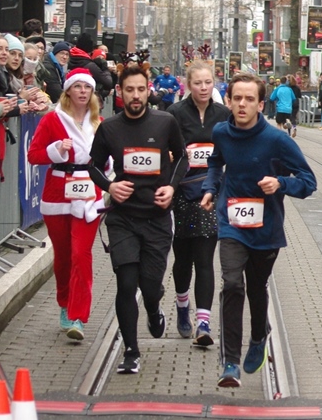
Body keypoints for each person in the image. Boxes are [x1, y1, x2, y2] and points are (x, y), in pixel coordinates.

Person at [201, 73, 317, 388]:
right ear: (228, 101)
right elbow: (215, 162)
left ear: (260, 104)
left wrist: (281, 183)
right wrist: (211, 187)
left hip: (266, 229)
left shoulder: (277, 140)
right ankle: (230, 362)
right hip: (231, 224)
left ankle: (258, 335)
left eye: (249, 99)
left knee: (256, 287)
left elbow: (309, 181)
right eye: (237, 98)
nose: (242, 104)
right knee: (232, 284)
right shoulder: (221, 132)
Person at [88, 65, 188, 375]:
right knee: (126, 283)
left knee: (150, 285)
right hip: (123, 218)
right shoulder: (110, 128)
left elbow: (182, 158)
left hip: (156, 217)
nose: (135, 96)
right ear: (119, 92)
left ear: (148, 91)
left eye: (140, 90)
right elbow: (93, 166)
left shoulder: (165, 122)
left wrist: (171, 188)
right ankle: (131, 350)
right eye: (129, 90)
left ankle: (155, 308)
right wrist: (110, 186)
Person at [26, 68, 106, 341]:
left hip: (88, 192)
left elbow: (108, 160)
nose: (83, 91)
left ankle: (77, 316)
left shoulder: (99, 123)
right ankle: (64, 301)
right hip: (58, 192)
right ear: (68, 90)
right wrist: (55, 149)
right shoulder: (52, 120)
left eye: (88, 87)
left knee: (81, 254)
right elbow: (33, 155)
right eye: (78, 86)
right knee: (63, 257)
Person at [167, 60, 230, 348]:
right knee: (183, 258)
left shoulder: (223, 114)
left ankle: (203, 323)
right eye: (197, 83)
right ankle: (182, 305)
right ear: (188, 85)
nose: (203, 88)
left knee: (205, 257)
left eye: (208, 83)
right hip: (183, 194)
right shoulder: (176, 114)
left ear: (214, 83)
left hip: (212, 193)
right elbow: (167, 151)